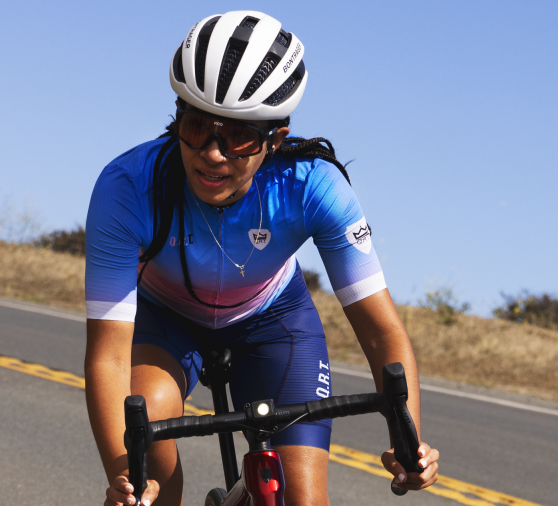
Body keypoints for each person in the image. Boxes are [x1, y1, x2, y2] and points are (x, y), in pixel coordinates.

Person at [83, 11, 439, 506]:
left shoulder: (313, 186)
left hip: (273, 321)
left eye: (239, 136)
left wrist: (408, 438)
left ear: (276, 137)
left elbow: (382, 331)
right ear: (177, 116)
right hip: (165, 323)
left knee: (302, 500)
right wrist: (128, 480)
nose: (213, 153)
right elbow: (108, 356)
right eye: (196, 125)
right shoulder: (126, 188)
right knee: (152, 461)